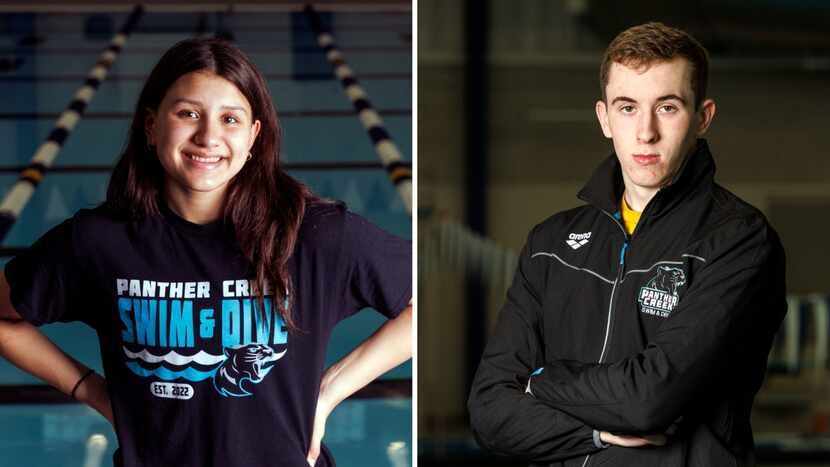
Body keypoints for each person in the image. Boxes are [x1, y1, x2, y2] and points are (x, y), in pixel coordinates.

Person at [0, 38, 412, 467]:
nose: (208, 136)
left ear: (254, 135)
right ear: (151, 124)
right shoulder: (98, 241)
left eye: (230, 119)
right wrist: (94, 391)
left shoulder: (314, 234)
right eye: (188, 113)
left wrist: (328, 392)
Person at [468, 22, 786, 467]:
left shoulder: (738, 240)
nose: (646, 132)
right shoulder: (551, 242)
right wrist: (596, 432)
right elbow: (488, 411)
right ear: (604, 118)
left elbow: (648, 400)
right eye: (627, 107)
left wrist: (539, 382)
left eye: (668, 107)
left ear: (703, 117)